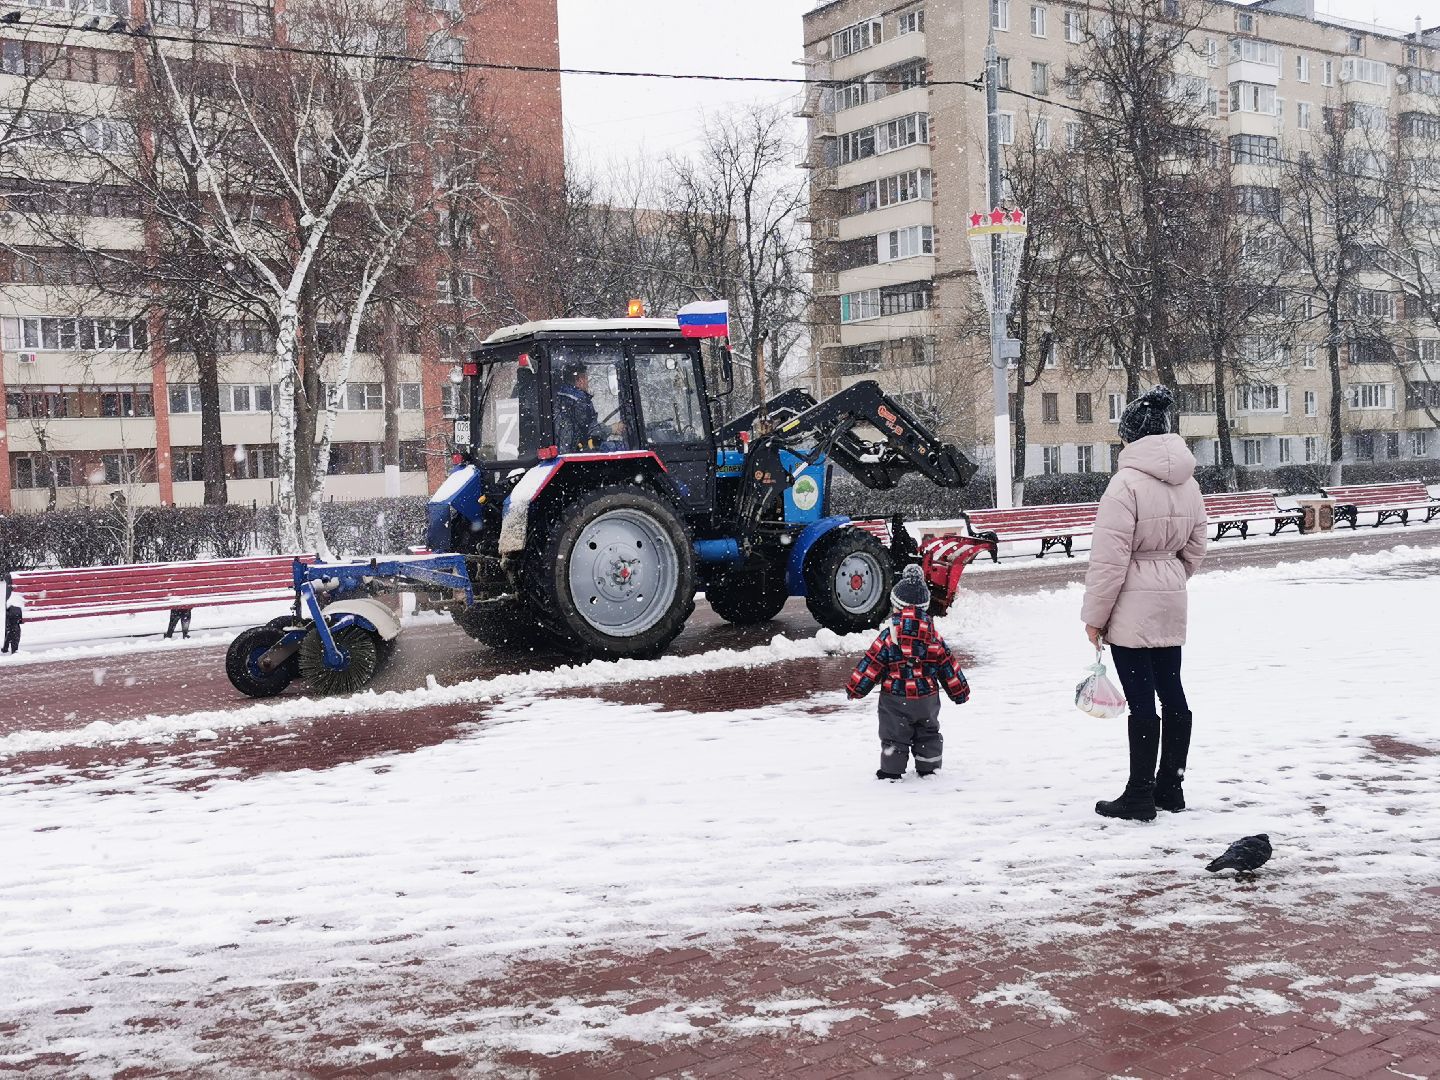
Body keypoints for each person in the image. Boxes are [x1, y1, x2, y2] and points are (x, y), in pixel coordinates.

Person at [1081, 385, 1208, 822]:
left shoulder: (1125, 485)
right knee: (1172, 692)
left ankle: (1139, 793)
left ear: (1130, 437)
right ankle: (1170, 787)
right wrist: (1170, 575)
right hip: (1171, 596)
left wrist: (1094, 618)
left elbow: (1109, 561)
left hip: (1131, 605)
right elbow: (1197, 546)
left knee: (1141, 701)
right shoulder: (1188, 481)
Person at [847, 564, 970, 781]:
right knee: (928, 733)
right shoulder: (934, 637)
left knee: (894, 736)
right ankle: (929, 768)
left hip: (894, 699)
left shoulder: (889, 636)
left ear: (896, 606)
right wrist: (959, 692)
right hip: (927, 698)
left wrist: (856, 688)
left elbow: (871, 664)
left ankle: (891, 772)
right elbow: (949, 666)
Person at [553, 360, 623, 452]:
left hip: (569, 449)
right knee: (619, 447)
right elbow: (591, 432)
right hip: (576, 450)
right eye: (586, 379)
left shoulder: (559, 398)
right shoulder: (580, 401)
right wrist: (611, 429)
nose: (587, 383)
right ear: (580, 380)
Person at [3, 584, 24, 655]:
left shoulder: (11, 594)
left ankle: (8, 648)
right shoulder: (14, 595)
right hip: (14, 614)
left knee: (11, 632)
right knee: (14, 632)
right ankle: (13, 650)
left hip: (12, 614)